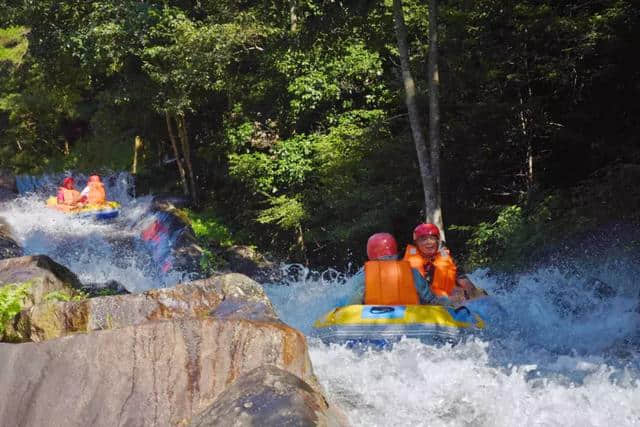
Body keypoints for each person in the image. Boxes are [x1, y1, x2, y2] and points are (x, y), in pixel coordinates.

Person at [345, 232, 450, 306]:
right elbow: (430, 300)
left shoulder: (364, 275)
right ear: (395, 252)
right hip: (410, 319)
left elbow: (350, 302)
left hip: (371, 321)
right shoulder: (411, 272)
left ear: (370, 253)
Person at [403, 223, 482, 303]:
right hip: (423, 303)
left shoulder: (447, 259)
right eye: (424, 239)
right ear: (416, 243)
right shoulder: (406, 261)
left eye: (432, 238)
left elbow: (463, 280)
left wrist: (469, 290)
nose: (429, 242)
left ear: (437, 241)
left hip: (448, 301)